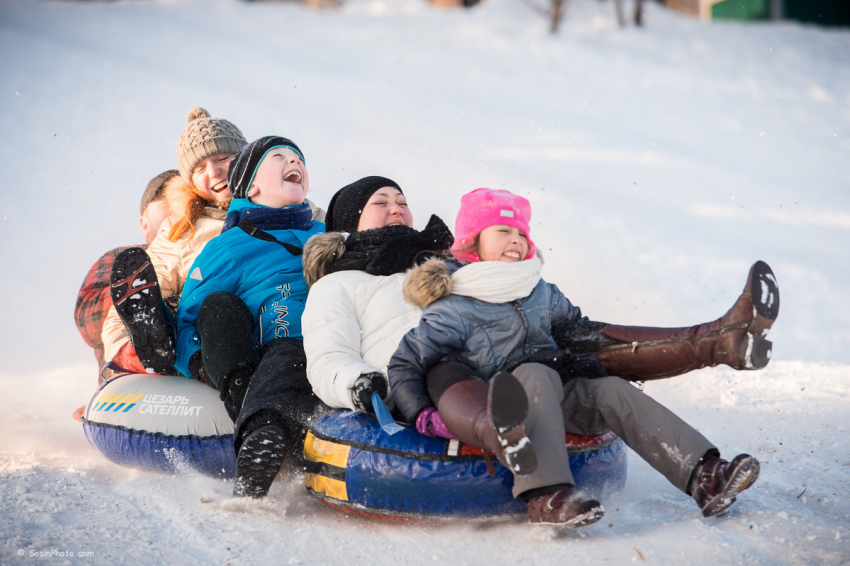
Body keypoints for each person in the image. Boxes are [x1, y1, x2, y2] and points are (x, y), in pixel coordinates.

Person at [388, 188, 778, 527]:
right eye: (503, 231)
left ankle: (704, 474)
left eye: (522, 233)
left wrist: (606, 355)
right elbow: (407, 364)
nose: (516, 240)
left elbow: (578, 330)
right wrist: (423, 415)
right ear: (472, 244)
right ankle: (546, 496)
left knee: (610, 390)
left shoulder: (540, 290)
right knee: (535, 373)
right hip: (504, 407)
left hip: (555, 391)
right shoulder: (454, 305)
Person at [103, 107, 327, 376]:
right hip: (219, 338)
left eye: (224, 158)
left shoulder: (303, 212)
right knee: (203, 307)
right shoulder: (181, 230)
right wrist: (126, 352)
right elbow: (141, 291)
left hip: (291, 321)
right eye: (200, 168)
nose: (215, 172)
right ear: (191, 181)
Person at [173, 136, 325, 498]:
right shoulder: (229, 245)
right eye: (278, 157)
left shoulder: (327, 235)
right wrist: (197, 360)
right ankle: (259, 433)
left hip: (332, 339)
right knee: (219, 304)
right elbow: (192, 317)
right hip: (265, 351)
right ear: (251, 186)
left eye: (298, 159)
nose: (294, 163)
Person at [301, 176, 454, 414]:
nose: (396, 210)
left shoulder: (445, 271)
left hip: (470, 380)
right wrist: (359, 382)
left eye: (402, 204)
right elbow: (330, 356)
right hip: (401, 402)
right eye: (381, 203)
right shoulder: (336, 284)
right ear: (351, 222)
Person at [74, 170, 178, 380]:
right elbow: (87, 321)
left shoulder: (206, 252)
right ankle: (141, 353)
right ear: (144, 225)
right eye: (167, 204)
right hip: (129, 386)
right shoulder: (120, 259)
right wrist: (139, 291)